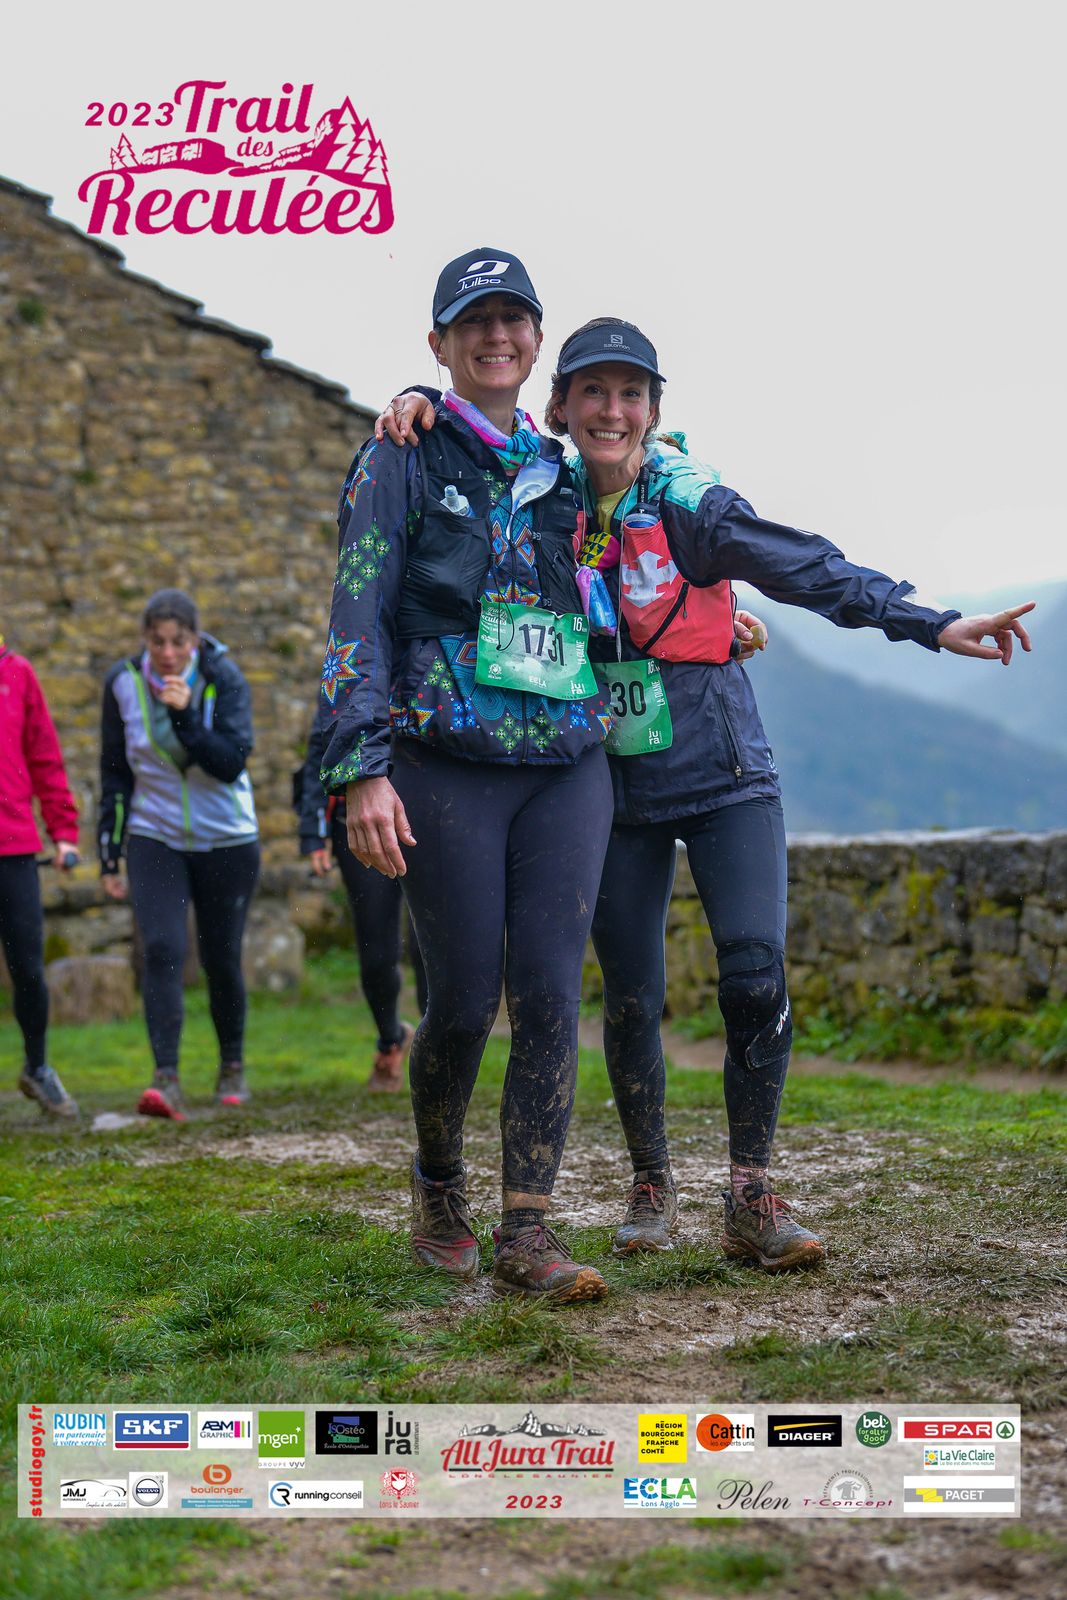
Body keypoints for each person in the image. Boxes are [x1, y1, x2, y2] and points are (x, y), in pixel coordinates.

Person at [379, 316, 1034, 1273]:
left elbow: (797, 563)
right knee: (632, 999)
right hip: (606, 783)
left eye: (631, 394)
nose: (612, 410)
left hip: (725, 772)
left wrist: (926, 623)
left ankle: (750, 1193)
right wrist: (421, 401)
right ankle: (650, 1186)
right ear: (559, 406)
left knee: (754, 975)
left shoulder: (687, 498)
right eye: (593, 392)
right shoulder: (539, 491)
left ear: (653, 410)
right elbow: (467, 477)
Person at [318, 249, 619, 1303]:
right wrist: (361, 769)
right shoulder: (397, 454)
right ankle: (438, 1180)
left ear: (535, 340)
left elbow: (626, 564)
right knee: (458, 1003)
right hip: (443, 759)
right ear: (439, 343)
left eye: (512, 319)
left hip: (565, 759)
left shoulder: (567, 470)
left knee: (549, 995)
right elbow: (357, 611)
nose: (496, 336)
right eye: (473, 322)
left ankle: (526, 1230)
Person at [99, 589, 260, 1120]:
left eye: (178, 641)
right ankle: (165, 1078)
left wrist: (187, 716)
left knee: (220, 957)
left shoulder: (223, 678)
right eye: (157, 642)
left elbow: (230, 763)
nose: (168, 653)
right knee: (162, 948)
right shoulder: (122, 683)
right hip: (156, 835)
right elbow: (114, 773)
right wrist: (108, 852)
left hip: (227, 838)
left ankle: (231, 1066)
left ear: (195, 640)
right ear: (145, 641)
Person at [295, 713, 427, 1090]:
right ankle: (390, 1040)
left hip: (429, 817)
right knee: (377, 953)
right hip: (361, 821)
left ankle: (436, 1049)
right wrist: (313, 832)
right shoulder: (353, 678)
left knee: (429, 946)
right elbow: (321, 748)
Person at [0, 633, 81, 1117]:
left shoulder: (18, 674)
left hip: (14, 848)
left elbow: (44, 758)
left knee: (28, 969)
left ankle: (37, 1067)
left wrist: (63, 831)